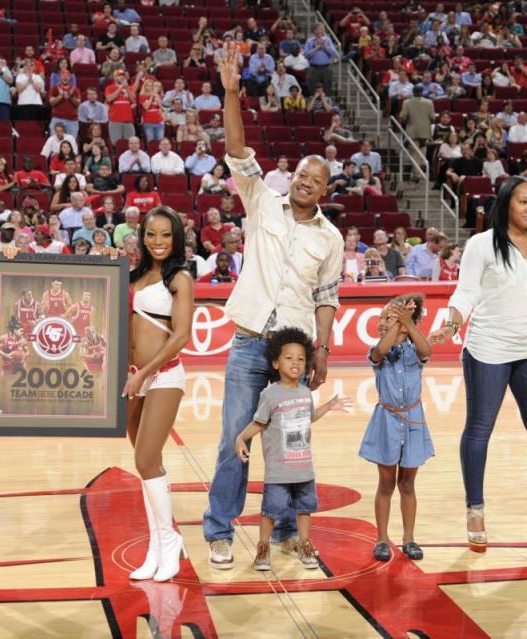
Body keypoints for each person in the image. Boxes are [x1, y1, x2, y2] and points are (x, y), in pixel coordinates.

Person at [204, 42, 345, 570]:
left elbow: (326, 296)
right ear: (293, 179)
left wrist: (322, 352)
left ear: (326, 190)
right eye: (302, 175)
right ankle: (220, 530)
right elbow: (237, 149)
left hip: (294, 353)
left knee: (290, 447)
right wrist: (232, 92)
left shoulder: (330, 238)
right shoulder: (261, 198)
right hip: (247, 344)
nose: (307, 182)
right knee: (235, 441)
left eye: (317, 179)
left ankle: (286, 529)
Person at [429, 177, 527, 554]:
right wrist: (453, 322)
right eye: (523, 201)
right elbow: (466, 291)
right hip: (488, 348)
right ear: (506, 203)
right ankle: (475, 511)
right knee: (479, 429)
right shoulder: (481, 245)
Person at [235, 328, 349, 571]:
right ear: (275, 362)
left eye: (300, 358)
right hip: (278, 469)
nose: (295, 362)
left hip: (304, 468)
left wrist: (329, 406)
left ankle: (304, 543)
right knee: (270, 511)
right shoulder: (270, 394)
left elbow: (308, 418)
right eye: (289, 357)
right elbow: (259, 422)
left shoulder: (305, 392)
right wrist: (241, 438)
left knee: (305, 508)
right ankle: (263, 547)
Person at [123, 206, 194, 582]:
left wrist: (145, 374)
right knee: (146, 465)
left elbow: (181, 335)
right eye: (152, 234)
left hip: (163, 376)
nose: (159, 242)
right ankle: (157, 546)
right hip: (133, 378)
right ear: (142, 238)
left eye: (166, 234)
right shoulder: (132, 276)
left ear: (176, 237)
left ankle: (170, 541)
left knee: (147, 459)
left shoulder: (179, 278)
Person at [358, 294, 432, 561]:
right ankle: (381, 538)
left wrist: (406, 323)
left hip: (413, 422)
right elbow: (380, 350)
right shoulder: (379, 350)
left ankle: (409, 538)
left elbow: (427, 350)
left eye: (387, 318)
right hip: (387, 422)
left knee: (408, 484)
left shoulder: (415, 349)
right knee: (386, 483)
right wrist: (399, 324)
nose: (381, 322)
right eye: (380, 318)